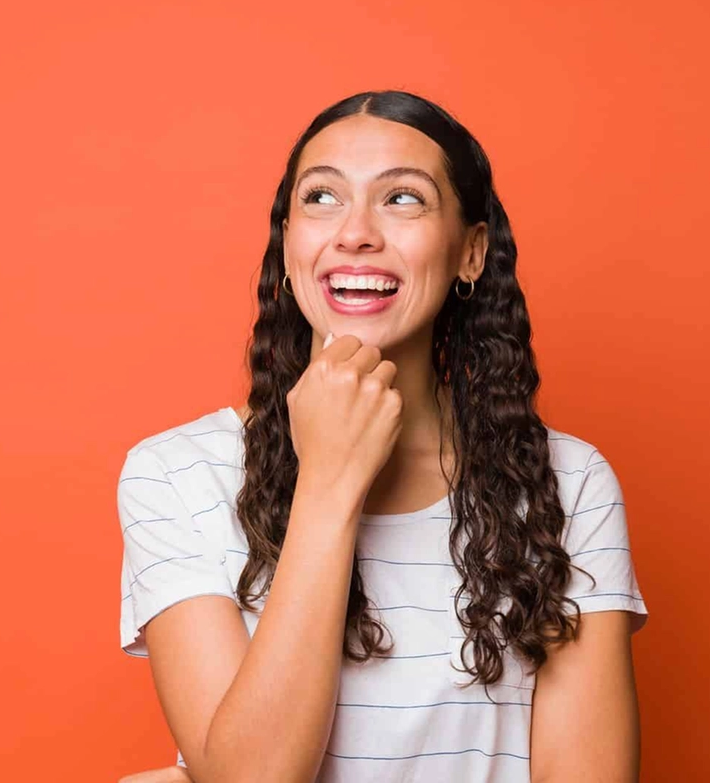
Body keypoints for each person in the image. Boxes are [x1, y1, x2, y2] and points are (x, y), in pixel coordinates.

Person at [115, 89, 649, 783]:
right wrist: (329, 484)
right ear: (287, 247)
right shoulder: (175, 475)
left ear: (471, 252)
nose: (355, 232)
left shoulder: (568, 482)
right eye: (321, 198)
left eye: (402, 199)